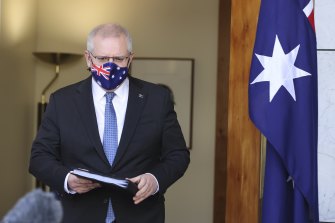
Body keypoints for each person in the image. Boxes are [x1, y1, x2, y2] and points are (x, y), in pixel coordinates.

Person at [29, 23, 190, 223]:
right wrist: (67, 179)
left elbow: (178, 154)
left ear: (130, 58)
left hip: (141, 215)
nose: (110, 65)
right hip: (77, 216)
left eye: (119, 58)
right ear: (88, 58)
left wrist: (155, 180)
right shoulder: (62, 101)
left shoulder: (157, 99)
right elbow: (39, 157)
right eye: (103, 58)